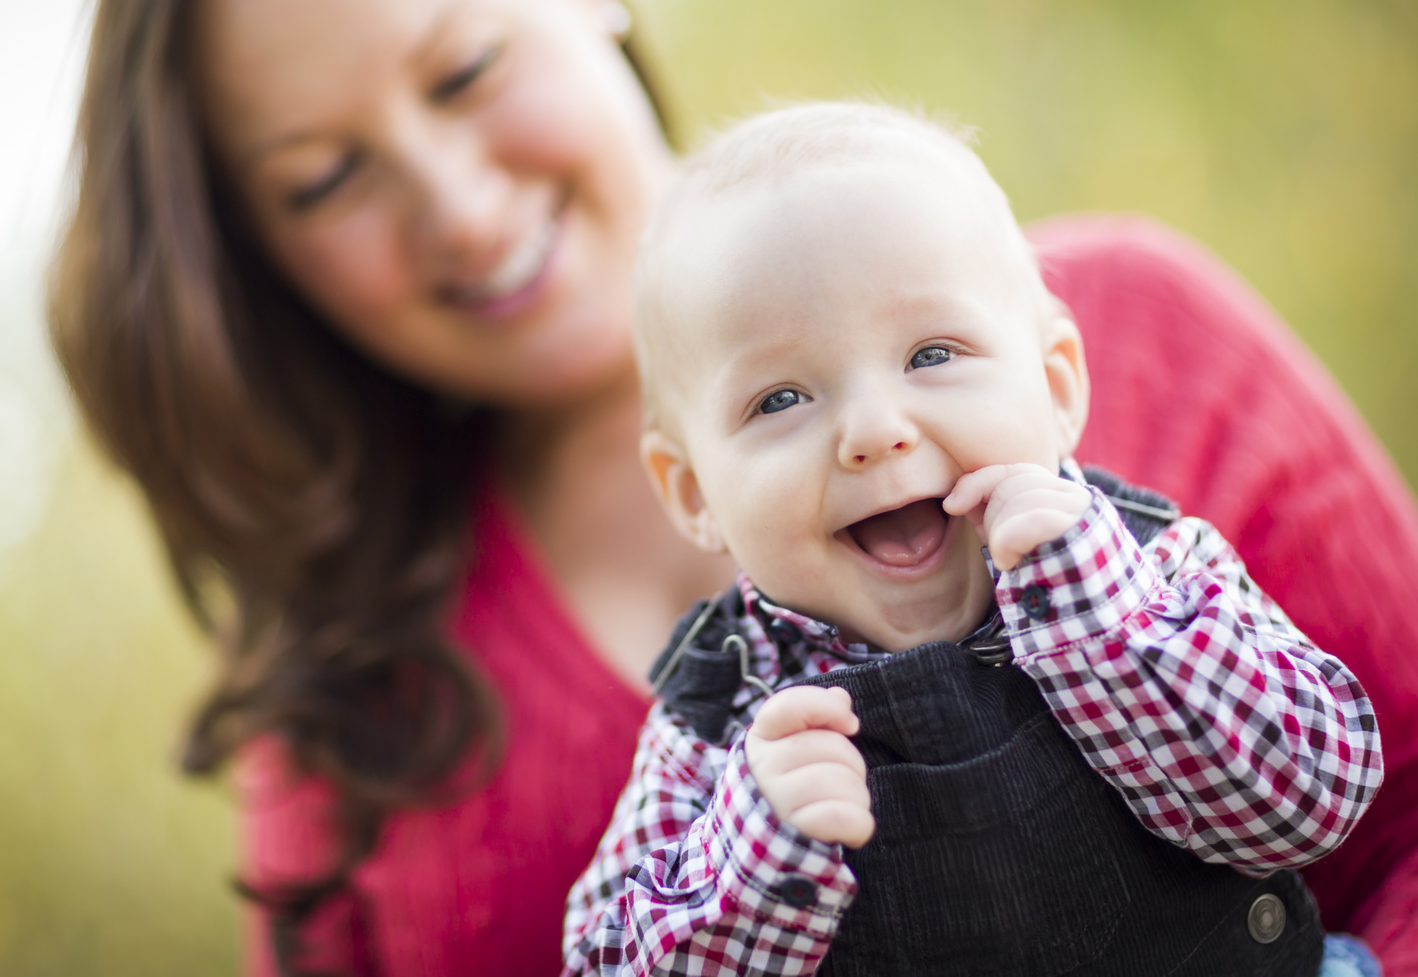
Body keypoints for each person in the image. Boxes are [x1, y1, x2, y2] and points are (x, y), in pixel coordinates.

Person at [46, 0, 1418, 974]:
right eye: (324, 177)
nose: (459, 209)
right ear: (684, 483)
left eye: (465, 72)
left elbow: (1380, 796)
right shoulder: (353, 707)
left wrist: (1098, 620)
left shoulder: (1138, 344)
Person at [561, 101, 1383, 976]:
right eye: (780, 400)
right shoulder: (722, 724)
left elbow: (1314, 800)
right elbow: (607, 962)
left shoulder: (1155, 568)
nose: (874, 430)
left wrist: (1108, 627)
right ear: (695, 494)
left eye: (931, 354)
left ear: (1056, 386)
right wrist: (749, 861)